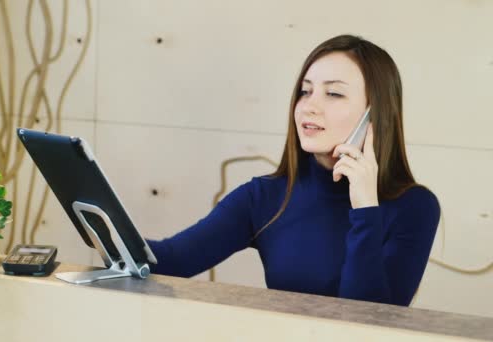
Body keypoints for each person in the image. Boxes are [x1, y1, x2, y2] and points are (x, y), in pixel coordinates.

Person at [146, 34, 440, 306]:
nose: (309, 106)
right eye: (305, 91)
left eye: (334, 94)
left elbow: (367, 321)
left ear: (375, 114)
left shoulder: (415, 207)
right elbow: (171, 261)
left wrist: (365, 209)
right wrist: (100, 216)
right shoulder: (265, 196)